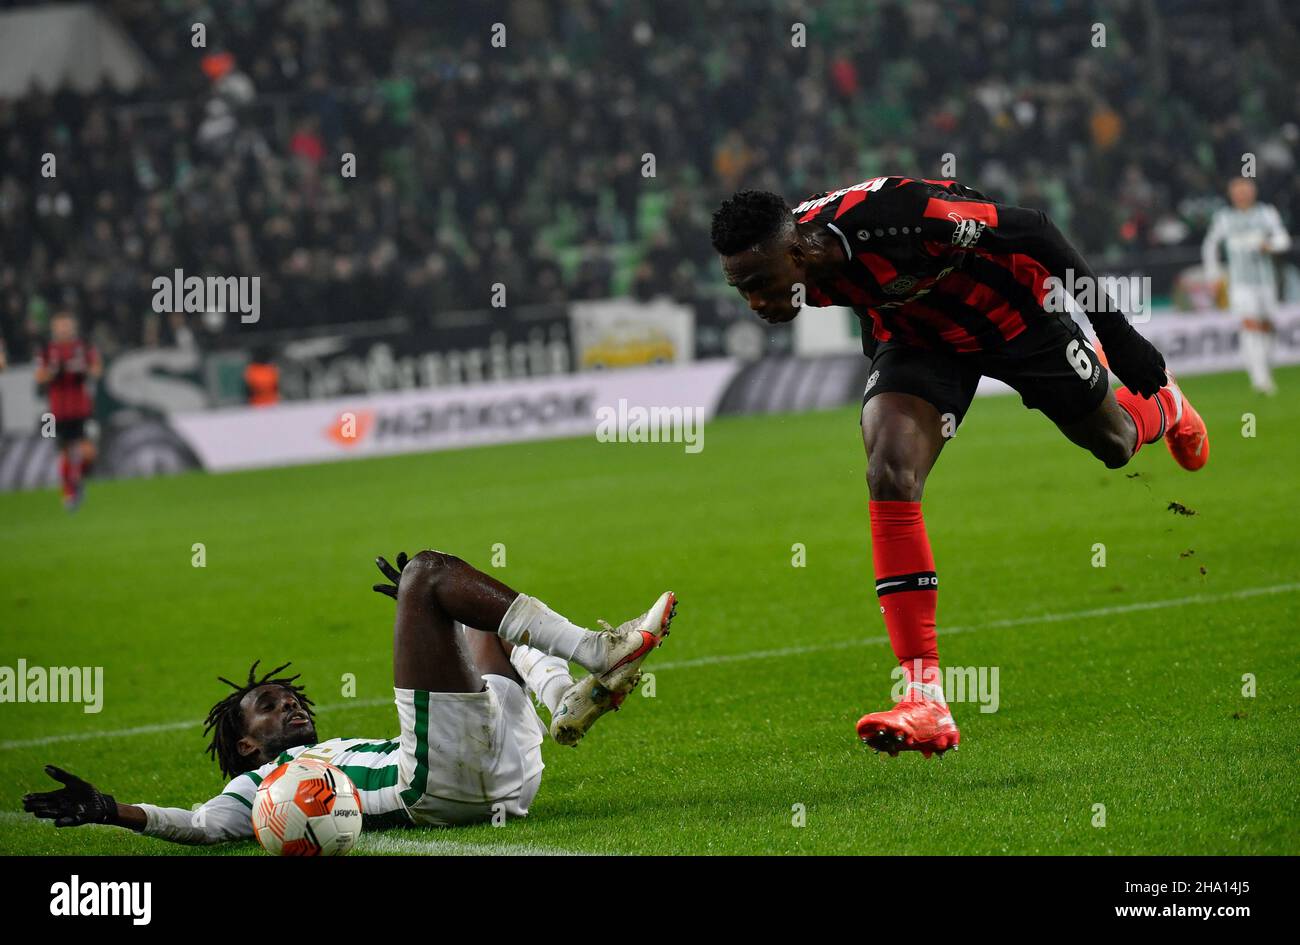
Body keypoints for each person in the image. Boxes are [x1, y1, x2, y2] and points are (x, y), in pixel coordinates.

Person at [711, 177, 1208, 758]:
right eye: (739, 290)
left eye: (759, 285)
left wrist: (1117, 337)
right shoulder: (793, 263)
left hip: (1017, 315)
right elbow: (874, 302)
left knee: (1116, 444)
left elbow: (1036, 229)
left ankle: (1165, 403)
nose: (755, 302)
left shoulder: (895, 216)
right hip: (921, 340)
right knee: (889, 472)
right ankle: (925, 699)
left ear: (798, 252)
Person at [23, 551, 677, 841]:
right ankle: (597, 653)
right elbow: (196, 825)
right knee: (427, 572)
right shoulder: (265, 786)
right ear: (247, 744)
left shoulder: (332, 748)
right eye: (270, 705)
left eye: (289, 695)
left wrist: (431, 621)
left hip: (507, 772)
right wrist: (112, 809)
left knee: (476, 610)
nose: (290, 705)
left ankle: (564, 694)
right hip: (442, 784)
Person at [1201, 176, 1292, 395]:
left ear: (1253, 192)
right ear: (1231, 194)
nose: (1241, 195)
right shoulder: (1225, 218)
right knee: (1249, 324)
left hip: (1266, 281)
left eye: (1245, 190)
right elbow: (1210, 245)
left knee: (1267, 325)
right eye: (1237, 191)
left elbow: (1284, 239)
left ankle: (1265, 366)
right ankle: (1260, 378)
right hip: (1240, 283)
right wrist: (1213, 275)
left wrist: (1269, 245)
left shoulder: (1266, 213)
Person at [34, 310, 101, 511]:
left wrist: (81, 369)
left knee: (88, 452)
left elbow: (97, 370)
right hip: (57, 411)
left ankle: (77, 481)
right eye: (60, 326)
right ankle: (69, 493)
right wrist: (54, 372)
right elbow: (39, 376)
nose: (63, 329)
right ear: (54, 328)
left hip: (82, 408)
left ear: (73, 327)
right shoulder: (47, 350)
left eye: (67, 325)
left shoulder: (84, 346)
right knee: (64, 453)